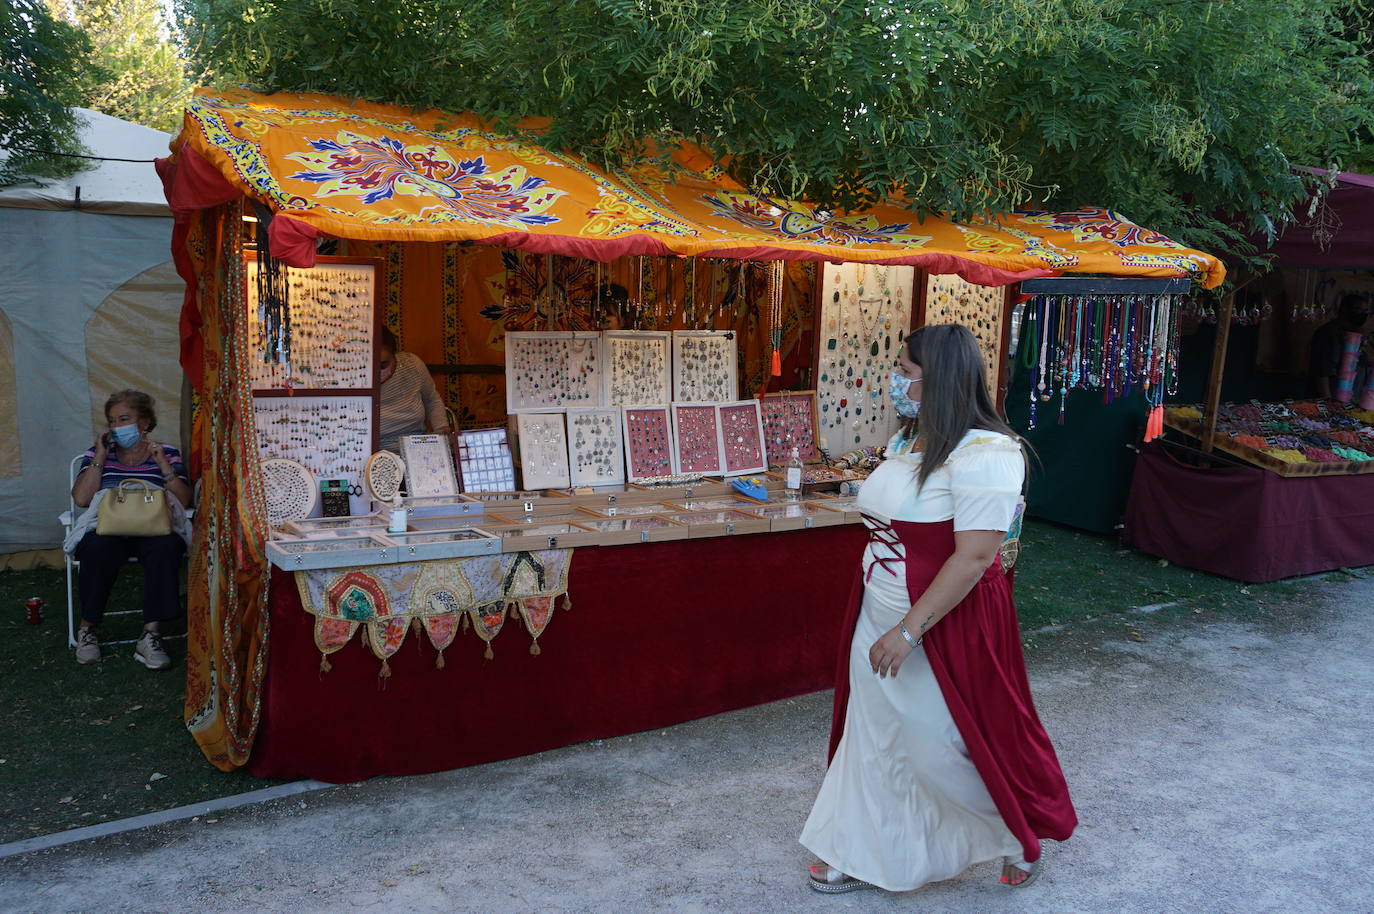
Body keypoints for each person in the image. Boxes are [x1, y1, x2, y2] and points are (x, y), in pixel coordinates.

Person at [800, 324, 1076, 894]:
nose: (894, 379)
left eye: (905, 371)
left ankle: (1010, 826)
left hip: (939, 620)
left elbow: (975, 557)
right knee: (873, 734)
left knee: (936, 744)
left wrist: (908, 631)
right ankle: (856, 848)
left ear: (940, 381)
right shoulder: (910, 440)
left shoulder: (990, 453)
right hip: (878, 603)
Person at [67, 390, 193, 669]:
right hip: (109, 526)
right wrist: (100, 454)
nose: (116, 427)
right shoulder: (99, 453)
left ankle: (150, 635)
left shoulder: (167, 452)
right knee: (96, 548)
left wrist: (162, 464)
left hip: (153, 526)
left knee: (167, 547)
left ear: (145, 422)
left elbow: (185, 500)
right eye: (112, 421)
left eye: (124, 419)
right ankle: (87, 628)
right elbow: (81, 499)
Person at [378, 327, 449, 453]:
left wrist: (442, 430)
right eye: (371, 365)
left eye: (383, 365)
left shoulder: (412, 365)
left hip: (418, 445)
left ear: (395, 355)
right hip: (376, 452)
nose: (377, 372)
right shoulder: (352, 380)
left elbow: (432, 399)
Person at [1308, 293, 1372, 399]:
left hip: (1352, 399)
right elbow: (1321, 372)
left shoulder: (1359, 337)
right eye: (1358, 309)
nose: (1363, 314)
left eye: (1366, 311)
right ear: (1345, 309)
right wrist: (1328, 402)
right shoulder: (1327, 333)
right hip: (1330, 399)